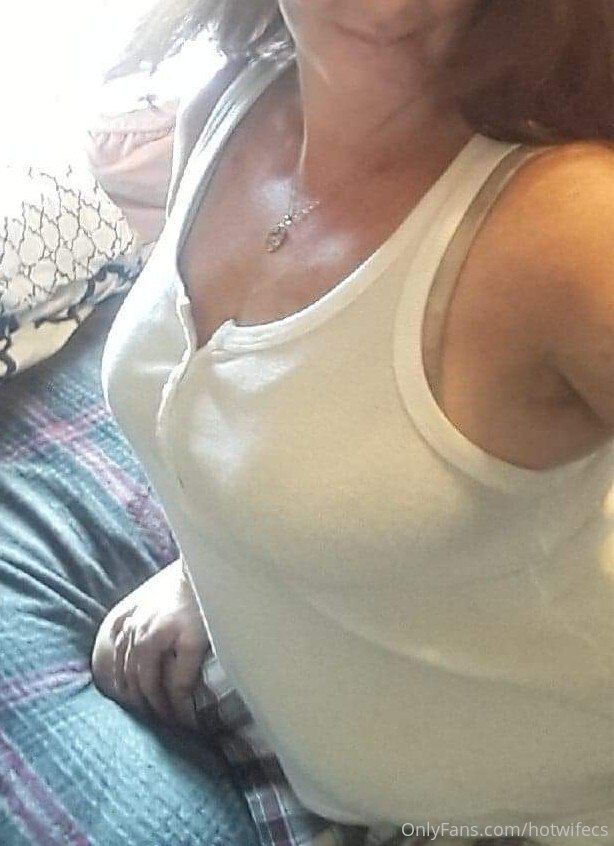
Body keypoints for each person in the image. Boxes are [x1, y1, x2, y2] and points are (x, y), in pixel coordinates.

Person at [91, 2, 614, 844]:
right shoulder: (223, 109)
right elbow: (247, 410)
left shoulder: (575, 230)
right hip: (319, 758)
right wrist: (203, 568)